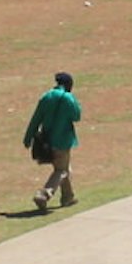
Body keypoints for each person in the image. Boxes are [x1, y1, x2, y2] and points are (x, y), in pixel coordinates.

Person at [24, 68, 82, 211]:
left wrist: (28, 137)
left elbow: (36, 119)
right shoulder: (68, 98)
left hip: (47, 140)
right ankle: (44, 194)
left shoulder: (46, 97)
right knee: (62, 171)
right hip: (63, 141)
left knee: (63, 168)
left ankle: (68, 198)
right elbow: (77, 116)